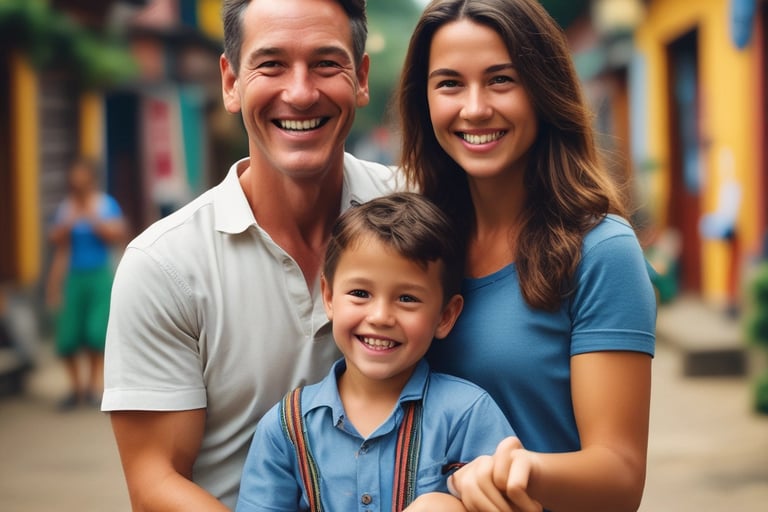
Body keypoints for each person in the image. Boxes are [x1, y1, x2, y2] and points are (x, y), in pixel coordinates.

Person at [101, 0, 400, 510]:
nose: (301, 92)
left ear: (362, 77)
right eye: (271, 64)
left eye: (327, 63)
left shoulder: (416, 219)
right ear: (231, 82)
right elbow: (155, 479)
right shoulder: (165, 266)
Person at [397, 1, 657, 511]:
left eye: (501, 80)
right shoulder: (417, 242)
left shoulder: (601, 249)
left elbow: (621, 475)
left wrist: (512, 470)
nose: (474, 108)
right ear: (423, 101)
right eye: (449, 83)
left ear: (543, 90)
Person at [236, 192, 514, 512]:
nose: (380, 316)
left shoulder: (468, 415)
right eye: (360, 293)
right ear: (328, 297)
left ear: (445, 316)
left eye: (407, 298)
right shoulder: (286, 427)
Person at [45, 157, 126, 411]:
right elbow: (57, 241)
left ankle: (93, 386)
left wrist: (91, 216)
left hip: (99, 275)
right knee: (67, 335)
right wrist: (54, 283)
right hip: (73, 276)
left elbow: (116, 234)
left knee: (95, 332)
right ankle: (75, 387)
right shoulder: (66, 208)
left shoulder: (105, 205)